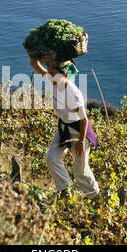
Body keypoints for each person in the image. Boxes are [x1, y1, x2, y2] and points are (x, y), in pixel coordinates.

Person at [30, 57, 100, 199]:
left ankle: (95, 197)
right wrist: (33, 51)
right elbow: (34, 64)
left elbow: (84, 120)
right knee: (51, 157)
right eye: (49, 70)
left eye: (53, 71)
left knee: (80, 171)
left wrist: (80, 142)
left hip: (79, 132)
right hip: (63, 129)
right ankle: (66, 191)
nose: (49, 72)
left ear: (63, 74)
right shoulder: (53, 81)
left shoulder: (73, 94)